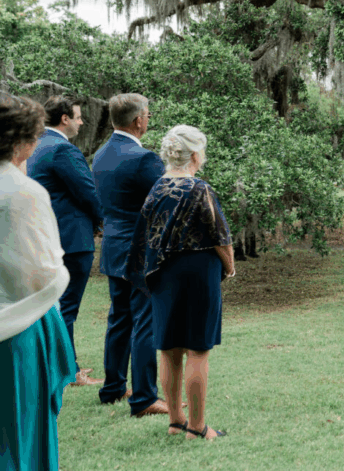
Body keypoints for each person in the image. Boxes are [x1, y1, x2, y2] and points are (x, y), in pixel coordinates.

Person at [125, 125, 234, 440]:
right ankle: (198, 428)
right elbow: (220, 236)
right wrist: (229, 267)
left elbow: (144, 236)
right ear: (196, 155)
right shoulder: (200, 189)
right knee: (198, 349)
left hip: (163, 273)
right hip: (198, 271)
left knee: (169, 348)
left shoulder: (156, 188)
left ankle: (175, 422)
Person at [1, 94, 77, 470]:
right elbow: (44, 272)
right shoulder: (21, 192)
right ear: (18, 142)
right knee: (21, 434)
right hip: (17, 330)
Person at [93, 94, 169, 416]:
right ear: (138, 120)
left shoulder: (100, 155)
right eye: (147, 115)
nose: (149, 119)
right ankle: (144, 398)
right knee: (144, 321)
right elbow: (169, 201)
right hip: (140, 251)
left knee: (119, 318)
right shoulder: (144, 159)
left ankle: (112, 388)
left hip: (112, 246)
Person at [26, 95, 104, 387]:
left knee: (54, 305)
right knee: (66, 307)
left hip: (46, 236)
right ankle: (69, 371)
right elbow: (88, 193)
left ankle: (55, 366)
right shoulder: (62, 150)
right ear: (65, 119)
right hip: (71, 240)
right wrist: (100, 221)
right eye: (79, 117)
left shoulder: (36, 146)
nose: (83, 122)